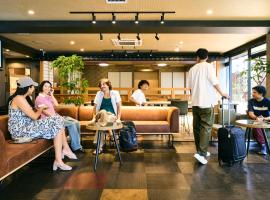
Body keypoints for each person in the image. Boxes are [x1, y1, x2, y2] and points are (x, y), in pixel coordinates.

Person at [7, 76, 76, 171]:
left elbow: (31, 115)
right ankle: (60, 158)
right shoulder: (19, 99)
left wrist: (39, 109)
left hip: (28, 126)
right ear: (28, 87)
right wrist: (41, 109)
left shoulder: (23, 98)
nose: (33, 89)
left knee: (58, 122)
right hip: (21, 130)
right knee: (57, 121)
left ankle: (59, 159)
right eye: (32, 86)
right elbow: (35, 116)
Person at [187, 48, 229, 165]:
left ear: (197, 57)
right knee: (206, 127)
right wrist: (222, 93)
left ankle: (201, 150)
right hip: (206, 103)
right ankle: (201, 153)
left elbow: (190, 88)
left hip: (195, 103)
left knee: (197, 127)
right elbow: (215, 83)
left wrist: (193, 98)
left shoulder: (192, 69)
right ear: (207, 57)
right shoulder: (208, 67)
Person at [35, 80, 84, 153]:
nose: (47, 88)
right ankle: (76, 147)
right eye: (45, 86)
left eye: (49, 86)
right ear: (41, 87)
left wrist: (51, 95)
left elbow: (56, 105)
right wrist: (57, 118)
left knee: (76, 122)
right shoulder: (39, 98)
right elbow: (44, 112)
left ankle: (76, 144)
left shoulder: (47, 97)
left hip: (55, 117)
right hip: (49, 120)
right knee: (72, 124)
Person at [91, 78, 122, 154]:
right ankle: (111, 133)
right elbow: (94, 108)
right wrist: (93, 118)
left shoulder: (115, 93)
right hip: (100, 114)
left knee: (101, 124)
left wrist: (118, 118)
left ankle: (98, 146)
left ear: (108, 85)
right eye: (100, 85)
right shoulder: (99, 94)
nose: (102, 86)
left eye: (104, 84)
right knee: (103, 112)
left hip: (111, 116)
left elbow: (119, 107)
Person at [248, 85, 270, 155]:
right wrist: (256, 118)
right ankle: (263, 146)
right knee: (257, 126)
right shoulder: (251, 101)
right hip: (256, 120)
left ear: (261, 94)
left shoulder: (268, 101)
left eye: (255, 92)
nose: (252, 94)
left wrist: (264, 118)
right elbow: (251, 113)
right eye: (253, 92)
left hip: (267, 119)